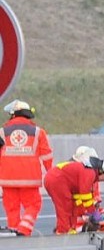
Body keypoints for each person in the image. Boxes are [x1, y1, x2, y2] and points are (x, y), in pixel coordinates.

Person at [0, 100, 53, 236]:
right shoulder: (38, 132)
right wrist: (51, 174)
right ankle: (24, 229)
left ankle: (14, 231)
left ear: (13, 115)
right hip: (30, 179)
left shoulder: (2, 132)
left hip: (7, 179)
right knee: (33, 205)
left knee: (11, 208)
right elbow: (47, 156)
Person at [44, 146, 104, 234]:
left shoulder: (88, 171)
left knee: (71, 206)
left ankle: (70, 230)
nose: (103, 181)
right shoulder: (90, 173)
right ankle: (63, 233)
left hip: (56, 179)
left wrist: (86, 211)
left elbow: (79, 198)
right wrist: (92, 212)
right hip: (57, 180)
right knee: (65, 208)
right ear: (103, 171)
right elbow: (85, 195)